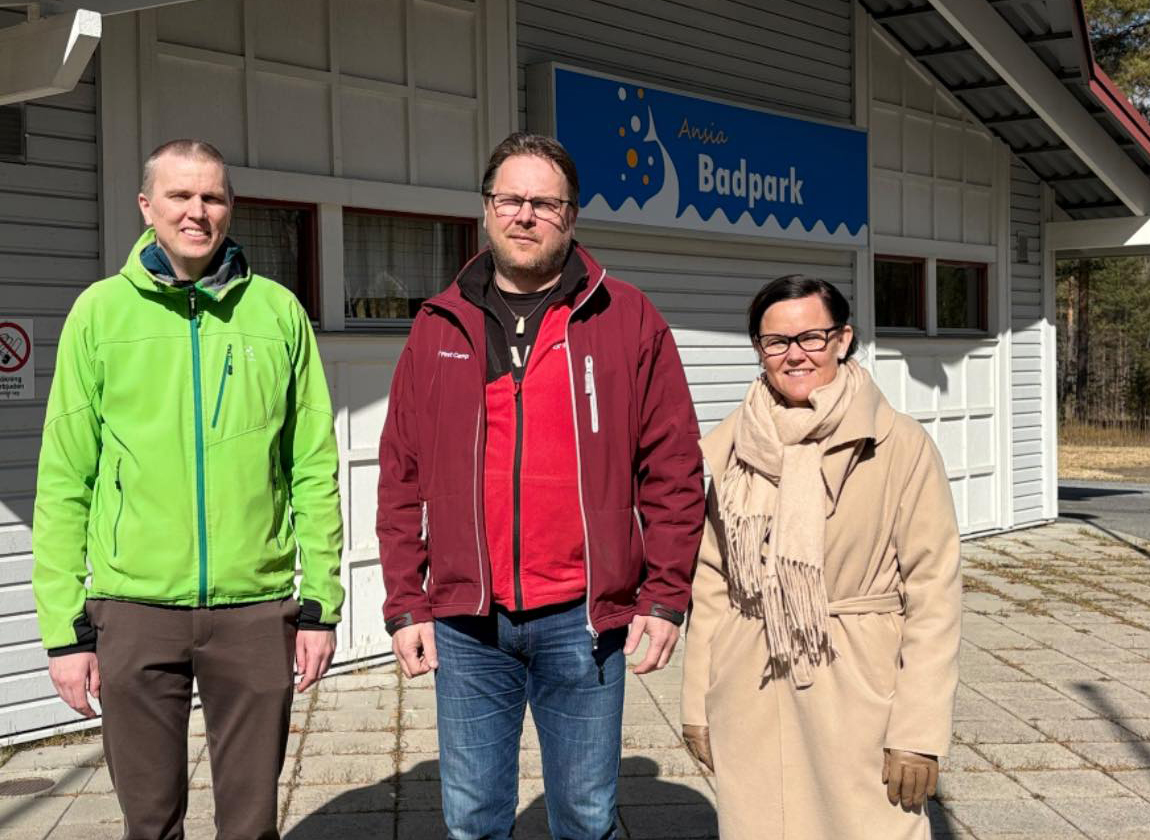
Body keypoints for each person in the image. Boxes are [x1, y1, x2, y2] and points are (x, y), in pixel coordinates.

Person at [376, 131, 705, 839]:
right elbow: (400, 473)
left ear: (572, 215)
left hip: (583, 620)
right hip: (467, 622)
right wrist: (406, 600)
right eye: (510, 199)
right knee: (472, 820)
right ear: (487, 209)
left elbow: (674, 468)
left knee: (587, 818)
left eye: (545, 203)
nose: (525, 215)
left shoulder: (626, 318)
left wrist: (665, 596)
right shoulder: (438, 325)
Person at [32, 139, 343, 840]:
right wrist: (63, 631)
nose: (196, 211)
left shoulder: (278, 313)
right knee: (148, 823)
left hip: (255, 609)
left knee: (252, 824)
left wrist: (320, 606)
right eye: (179, 195)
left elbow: (311, 466)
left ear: (231, 207)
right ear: (147, 206)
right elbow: (64, 479)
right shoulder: (99, 314)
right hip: (134, 607)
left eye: (212, 196)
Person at [680, 276, 962, 839]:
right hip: (750, 680)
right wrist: (696, 702)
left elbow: (934, 593)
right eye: (776, 342)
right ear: (759, 350)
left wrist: (918, 731)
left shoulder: (900, 444)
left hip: (858, 681)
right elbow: (712, 580)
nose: (795, 355)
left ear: (843, 339)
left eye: (811, 337)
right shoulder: (734, 445)